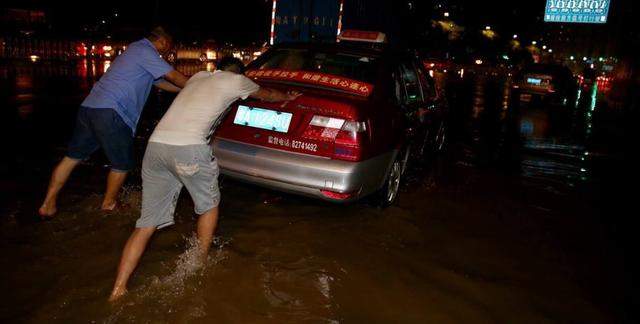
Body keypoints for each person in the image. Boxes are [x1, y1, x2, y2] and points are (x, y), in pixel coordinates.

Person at [109, 57, 300, 301]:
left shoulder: (198, 77)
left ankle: (118, 289)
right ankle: (199, 261)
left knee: (146, 224)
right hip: (190, 149)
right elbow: (270, 95)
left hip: (155, 147)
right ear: (238, 72)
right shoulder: (238, 81)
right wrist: (289, 97)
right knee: (209, 205)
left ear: (218, 68)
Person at [38, 27, 189, 218]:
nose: (167, 51)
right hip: (112, 112)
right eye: (169, 47)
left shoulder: (133, 52)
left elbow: (161, 83)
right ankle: (109, 204)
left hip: (90, 108)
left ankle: (47, 204)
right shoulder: (145, 51)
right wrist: (198, 86)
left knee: (72, 157)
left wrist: (186, 90)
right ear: (164, 42)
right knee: (122, 164)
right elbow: (174, 76)